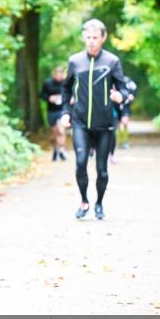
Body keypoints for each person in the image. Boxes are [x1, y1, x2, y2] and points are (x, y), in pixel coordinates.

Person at [61, 19, 129, 220]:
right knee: (81, 163)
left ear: (103, 38)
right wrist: (66, 112)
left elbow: (123, 88)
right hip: (80, 122)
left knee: (102, 170)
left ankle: (99, 203)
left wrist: (121, 96)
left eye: (95, 37)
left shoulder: (112, 61)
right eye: (88, 37)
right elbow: (65, 89)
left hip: (104, 124)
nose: (91, 41)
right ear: (84, 37)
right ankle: (84, 201)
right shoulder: (75, 61)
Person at [41, 66, 69, 161]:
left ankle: (62, 150)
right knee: (54, 133)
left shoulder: (66, 83)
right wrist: (49, 98)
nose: (59, 76)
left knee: (61, 130)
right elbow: (42, 95)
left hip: (62, 110)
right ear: (54, 74)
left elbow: (70, 94)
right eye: (57, 74)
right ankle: (56, 150)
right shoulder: (48, 83)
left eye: (61, 74)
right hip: (51, 110)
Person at [109, 75, 138, 160]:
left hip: (125, 105)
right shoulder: (113, 80)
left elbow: (134, 91)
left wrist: (131, 96)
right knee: (118, 124)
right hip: (115, 105)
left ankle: (124, 141)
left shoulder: (129, 81)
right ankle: (120, 141)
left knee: (124, 122)